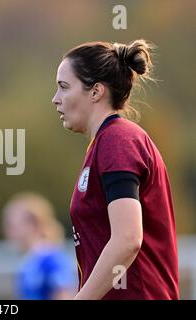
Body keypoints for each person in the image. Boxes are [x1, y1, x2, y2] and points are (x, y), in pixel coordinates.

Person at [51, 39, 179, 299]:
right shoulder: (104, 144)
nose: (56, 99)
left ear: (96, 91)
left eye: (64, 87)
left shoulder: (117, 140)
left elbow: (128, 238)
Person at [2, 192, 76, 300]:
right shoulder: (29, 261)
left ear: (32, 224)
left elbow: (64, 295)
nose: (6, 230)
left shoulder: (51, 259)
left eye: (11, 224)